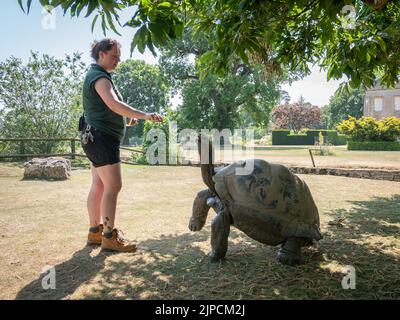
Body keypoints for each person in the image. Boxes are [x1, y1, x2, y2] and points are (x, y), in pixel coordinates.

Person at [81, 38, 162, 252]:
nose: (118, 60)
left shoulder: (96, 75)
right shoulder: (99, 77)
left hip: (94, 138)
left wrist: (127, 119)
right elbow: (114, 104)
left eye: (119, 56)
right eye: (114, 55)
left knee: (98, 185)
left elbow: (105, 109)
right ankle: (108, 236)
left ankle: (94, 232)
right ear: (102, 54)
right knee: (113, 186)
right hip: (102, 140)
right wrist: (144, 115)